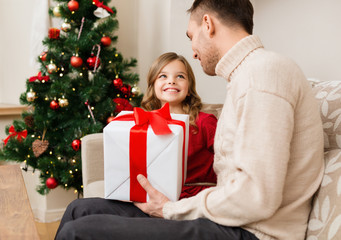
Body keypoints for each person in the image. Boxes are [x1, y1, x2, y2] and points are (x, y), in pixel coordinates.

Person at [55, 0, 324, 240]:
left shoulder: (263, 74)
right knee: (80, 208)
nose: (193, 52)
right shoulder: (248, 76)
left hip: (252, 232)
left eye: (191, 36)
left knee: (76, 232)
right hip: (230, 221)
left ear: (207, 24)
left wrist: (171, 209)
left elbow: (256, 197)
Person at [140, 52, 217, 199]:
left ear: (189, 89)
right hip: (155, 199)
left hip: (196, 201)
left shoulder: (205, 122)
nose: (171, 81)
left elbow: (232, 161)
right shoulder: (144, 124)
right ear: (153, 86)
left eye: (180, 76)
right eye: (163, 76)